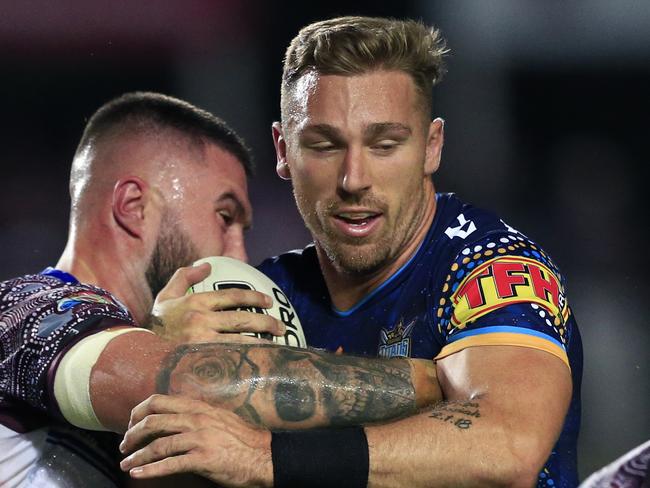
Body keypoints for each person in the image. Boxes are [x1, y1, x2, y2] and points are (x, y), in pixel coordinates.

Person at [120, 16, 583, 488]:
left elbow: (507, 444)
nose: (353, 178)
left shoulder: (491, 267)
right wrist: (162, 357)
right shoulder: (261, 296)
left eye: (385, 145)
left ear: (431, 146)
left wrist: (263, 457)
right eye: (324, 145)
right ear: (283, 150)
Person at [0, 91, 441, 487]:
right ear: (133, 207)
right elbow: (194, 383)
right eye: (225, 216)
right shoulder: (24, 308)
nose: (240, 252)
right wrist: (437, 381)